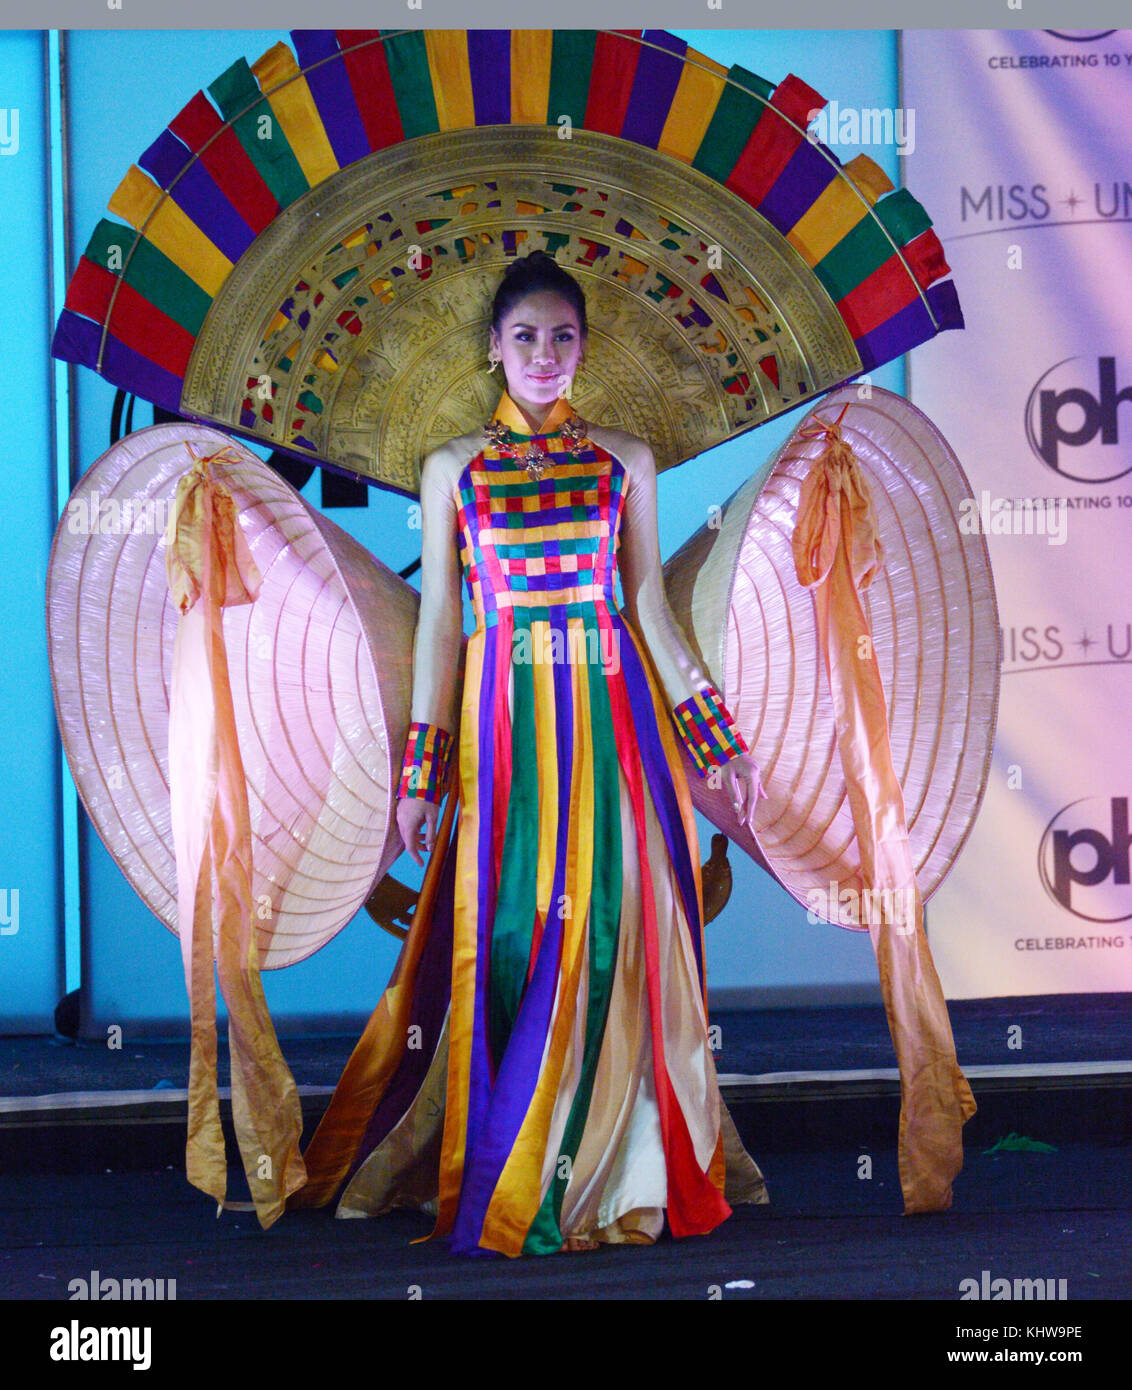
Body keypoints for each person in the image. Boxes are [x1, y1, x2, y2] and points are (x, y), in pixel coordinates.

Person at [291, 251, 767, 1256]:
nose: (544, 355)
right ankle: (520, 1157)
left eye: (562, 337)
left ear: (584, 348)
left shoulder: (624, 461)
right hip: (506, 726)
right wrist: (420, 775)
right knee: (514, 935)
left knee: (618, 931)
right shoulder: (452, 466)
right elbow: (441, 629)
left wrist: (710, 733)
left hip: (612, 716)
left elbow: (642, 601)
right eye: (525, 337)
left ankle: (622, 1162)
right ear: (494, 347)